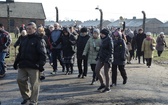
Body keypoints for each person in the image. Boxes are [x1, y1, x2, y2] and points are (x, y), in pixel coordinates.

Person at [13, 22, 46, 105]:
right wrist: (16, 62)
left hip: (34, 65)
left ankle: (33, 101)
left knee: (34, 84)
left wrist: (41, 66)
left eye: (30, 29)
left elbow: (43, 54)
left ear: (35, 29)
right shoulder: (24, 39)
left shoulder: (39, 39)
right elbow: (20, 52)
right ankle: (26, 97)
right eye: (27, 29)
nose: (28, 30)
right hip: (23, 64)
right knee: (20, 80)